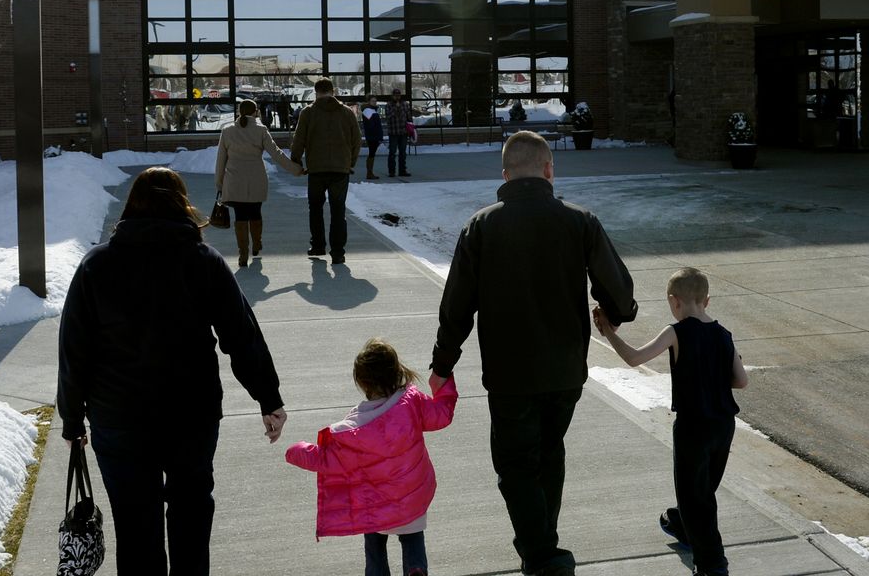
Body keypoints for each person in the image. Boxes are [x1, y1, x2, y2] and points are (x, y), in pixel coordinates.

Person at [57, 166, 288, 576]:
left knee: (135, 525)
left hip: (119, 416)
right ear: (182, 204)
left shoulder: (96, 265)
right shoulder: (203, 261)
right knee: (191, 514)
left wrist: (73, 418)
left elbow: (75, 349)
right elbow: (241, 334)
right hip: (191, 414)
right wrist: (267, 398)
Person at [428, 131, 638, 575]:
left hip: (509, 375)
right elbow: (617, 289)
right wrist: (618, 312)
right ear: (549, 169)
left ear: (503, 175)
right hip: (565, 372)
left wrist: (442, 364)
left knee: (516, 464)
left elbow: (457, 304)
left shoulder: (482, 225)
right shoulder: (581, 221)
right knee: (549, 452)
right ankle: (544, 544)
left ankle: (543, 556)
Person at [593, 268, 748, 576]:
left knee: (695, 499)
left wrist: (608, 331)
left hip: (693, 426)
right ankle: (681, 525)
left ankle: (713, 565)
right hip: (723, 426)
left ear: (673, 301)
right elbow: (741, 381)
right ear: (707, 300)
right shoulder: (723, 334)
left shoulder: (676, 331)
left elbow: (635, 358)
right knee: (703, 491)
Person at [285, 338, 458, 576]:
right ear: (397, 371)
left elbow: (324, 459)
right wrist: (444, 384)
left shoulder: (354, 428)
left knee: (374, 543)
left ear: (363, 383)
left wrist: (296, 450)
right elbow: (442, 414)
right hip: (413, 496)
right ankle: (416, 568)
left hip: (377, 505)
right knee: (413, 536)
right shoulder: (412, 402)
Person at [216, 97, 302, 267]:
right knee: (255, 212)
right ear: (256, 112)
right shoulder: (261, 130)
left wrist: (219, 183)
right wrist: (296, 169)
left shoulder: (227, 131)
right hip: (257, 179)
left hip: (234, 180)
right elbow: (276, 154)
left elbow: (221, 160)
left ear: (239, 112)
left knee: (240, 216)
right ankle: (256, 243)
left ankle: (242, 254)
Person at [291, 76, 362, 264]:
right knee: (338, 211)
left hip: (316, 169)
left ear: (316, 92)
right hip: (340, 170)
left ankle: (318, 245)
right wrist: (350, 163)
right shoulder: (346, 113)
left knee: (315, 208)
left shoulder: (308, 113)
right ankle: (338, 252)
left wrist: (296, 159)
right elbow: (357, 140)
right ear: (333, 91)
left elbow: (299, 139)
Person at [385, 88, 412, 177]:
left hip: (403, 132)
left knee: (403, 153)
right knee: (392, 152)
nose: (397, 97)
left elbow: (409, 117)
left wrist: (411, 128)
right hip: (393, 132)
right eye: (395, 95)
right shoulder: (389, 105)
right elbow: (388, 117)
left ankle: (402, 170)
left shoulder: (405, 104)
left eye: (398, 95)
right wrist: (396, 108)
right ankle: (391, 171)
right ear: (392, 96)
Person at [361, 94, 384, 180]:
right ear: (369, 102)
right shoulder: (368, 111)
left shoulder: (372, 110)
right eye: (373, 101)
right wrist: (377, 135)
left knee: (372, 154)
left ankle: (370, 172)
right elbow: (372, 125)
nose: (374, 102)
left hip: (374, 136)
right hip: (372, 136)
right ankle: (369, 173)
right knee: (371, 154)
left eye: (375, 101)